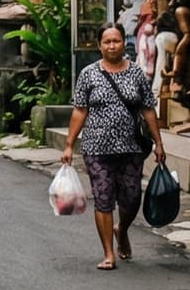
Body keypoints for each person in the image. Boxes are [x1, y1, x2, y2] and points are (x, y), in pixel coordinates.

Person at [62, 23, 167, 269]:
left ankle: (123, 229)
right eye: (107, 41)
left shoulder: (136, 73)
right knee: (103, 198)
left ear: (123, 43)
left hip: (131, 147)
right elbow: (79, 110)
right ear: (99, 45)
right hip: (96, 147)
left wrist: (159, 142)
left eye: (116, 41)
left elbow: (148, 109)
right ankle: (108, 253)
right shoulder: (89, 74)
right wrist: (68, 145)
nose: (112, 45)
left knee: (131, 198)